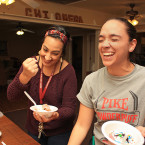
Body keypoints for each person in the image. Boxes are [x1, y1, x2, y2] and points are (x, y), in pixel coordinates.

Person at [67, 17, 145, 145]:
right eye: (101, 40)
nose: (104, 45)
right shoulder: (91, 80)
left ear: (131, 45)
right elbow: (81, 125)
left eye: (114, 39)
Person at [7, 25, 77, 145]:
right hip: (34, 128)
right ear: (41, 46)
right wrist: (24, 76)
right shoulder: (30, 64)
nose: (48, 57)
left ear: (62, 53)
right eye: (45, 49)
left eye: (55, 53)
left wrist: (54, 115)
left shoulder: (68, 71)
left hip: (60, 131)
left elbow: (70, 109)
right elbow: (11, 96)